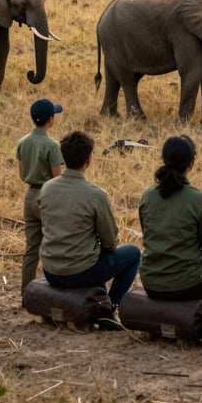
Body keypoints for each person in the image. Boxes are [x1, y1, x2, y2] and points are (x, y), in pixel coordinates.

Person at [39, 131, 140, 324]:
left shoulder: (47, 188)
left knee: (95, 254)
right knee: (133, 253)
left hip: (51, 270)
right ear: (89, 159)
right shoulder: (96, 195)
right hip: (82, 272)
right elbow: (110, 241)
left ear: (63, 157)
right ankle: (111, 307)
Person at [138, 135, 202, 304]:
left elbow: (148, 235)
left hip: (151, 283)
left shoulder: (147, 195)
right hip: (189, 285)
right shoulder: (200, 200)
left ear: (164, 159)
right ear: (191, 163)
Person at [16, 98, 64, 299]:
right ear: (50, 120)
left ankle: (26, 294)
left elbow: (21, 174)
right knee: (54, 246)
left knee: (31, 249)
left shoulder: (23, 142)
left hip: (30, 196)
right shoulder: (52, 145)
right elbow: (58, 177)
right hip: (47, 195)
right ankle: (57, 292)